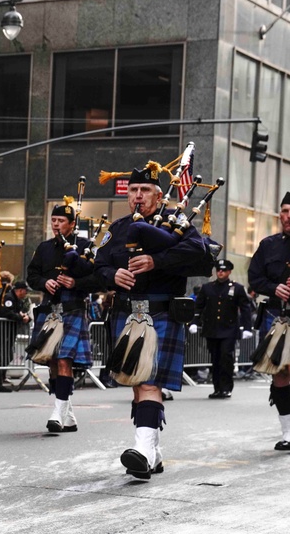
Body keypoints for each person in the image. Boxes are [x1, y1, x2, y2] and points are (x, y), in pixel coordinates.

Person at [93, 165, 209, 478]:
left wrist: (156, 260)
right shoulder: (117, 229)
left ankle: (142, 450)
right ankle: (153, 453)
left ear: (159, 196)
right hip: (125, 313)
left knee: (148, 381)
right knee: (135, 381)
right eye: (133, 190)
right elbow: (98, 266)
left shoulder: (177, 224)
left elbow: (200, 254)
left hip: (162, 313)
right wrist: (111, 275)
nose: (138, 196)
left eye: (145, 191)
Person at [27, 198, 100, 431]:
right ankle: (67, 413)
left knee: (64, 358)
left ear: (72, 223)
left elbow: (98, 280)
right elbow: (31, 275)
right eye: (54, 220)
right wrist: (44, 282)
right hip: (50, 309)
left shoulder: (86, 246)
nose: (56, 224)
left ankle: (57, 412)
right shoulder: (44, 248)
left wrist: (75, 282)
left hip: (73, 308)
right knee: (52, 361)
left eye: (61, 221)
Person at [248, 191, 290, 450]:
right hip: (277, 317)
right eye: (284, 211)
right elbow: (255, 279)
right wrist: (274, 288)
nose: (288, 216)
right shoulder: (268, 245)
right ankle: (288, 432)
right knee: (281, 373)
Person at [190, 259, 253, 399]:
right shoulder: (207, 288)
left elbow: (245, 309)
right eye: (218, 270)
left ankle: (226, 388)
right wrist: (194, 322)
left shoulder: (236, 288)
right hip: (212, 329)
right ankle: (217, 388)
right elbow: (198, 307)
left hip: (229, 329)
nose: (220, 272)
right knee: (215, 359)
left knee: (226, 358)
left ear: (229, 272)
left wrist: (247, 328)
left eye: (224, 270)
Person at [0, 276, 33, 391]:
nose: (26, 294)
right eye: (25, 291)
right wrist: (20, 317)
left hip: (7, 332)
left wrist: (24, 317)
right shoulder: (8, 297)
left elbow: (16, 311)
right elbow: (7, 312)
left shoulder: (15, 299)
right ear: (20, 290)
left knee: (7, 355)